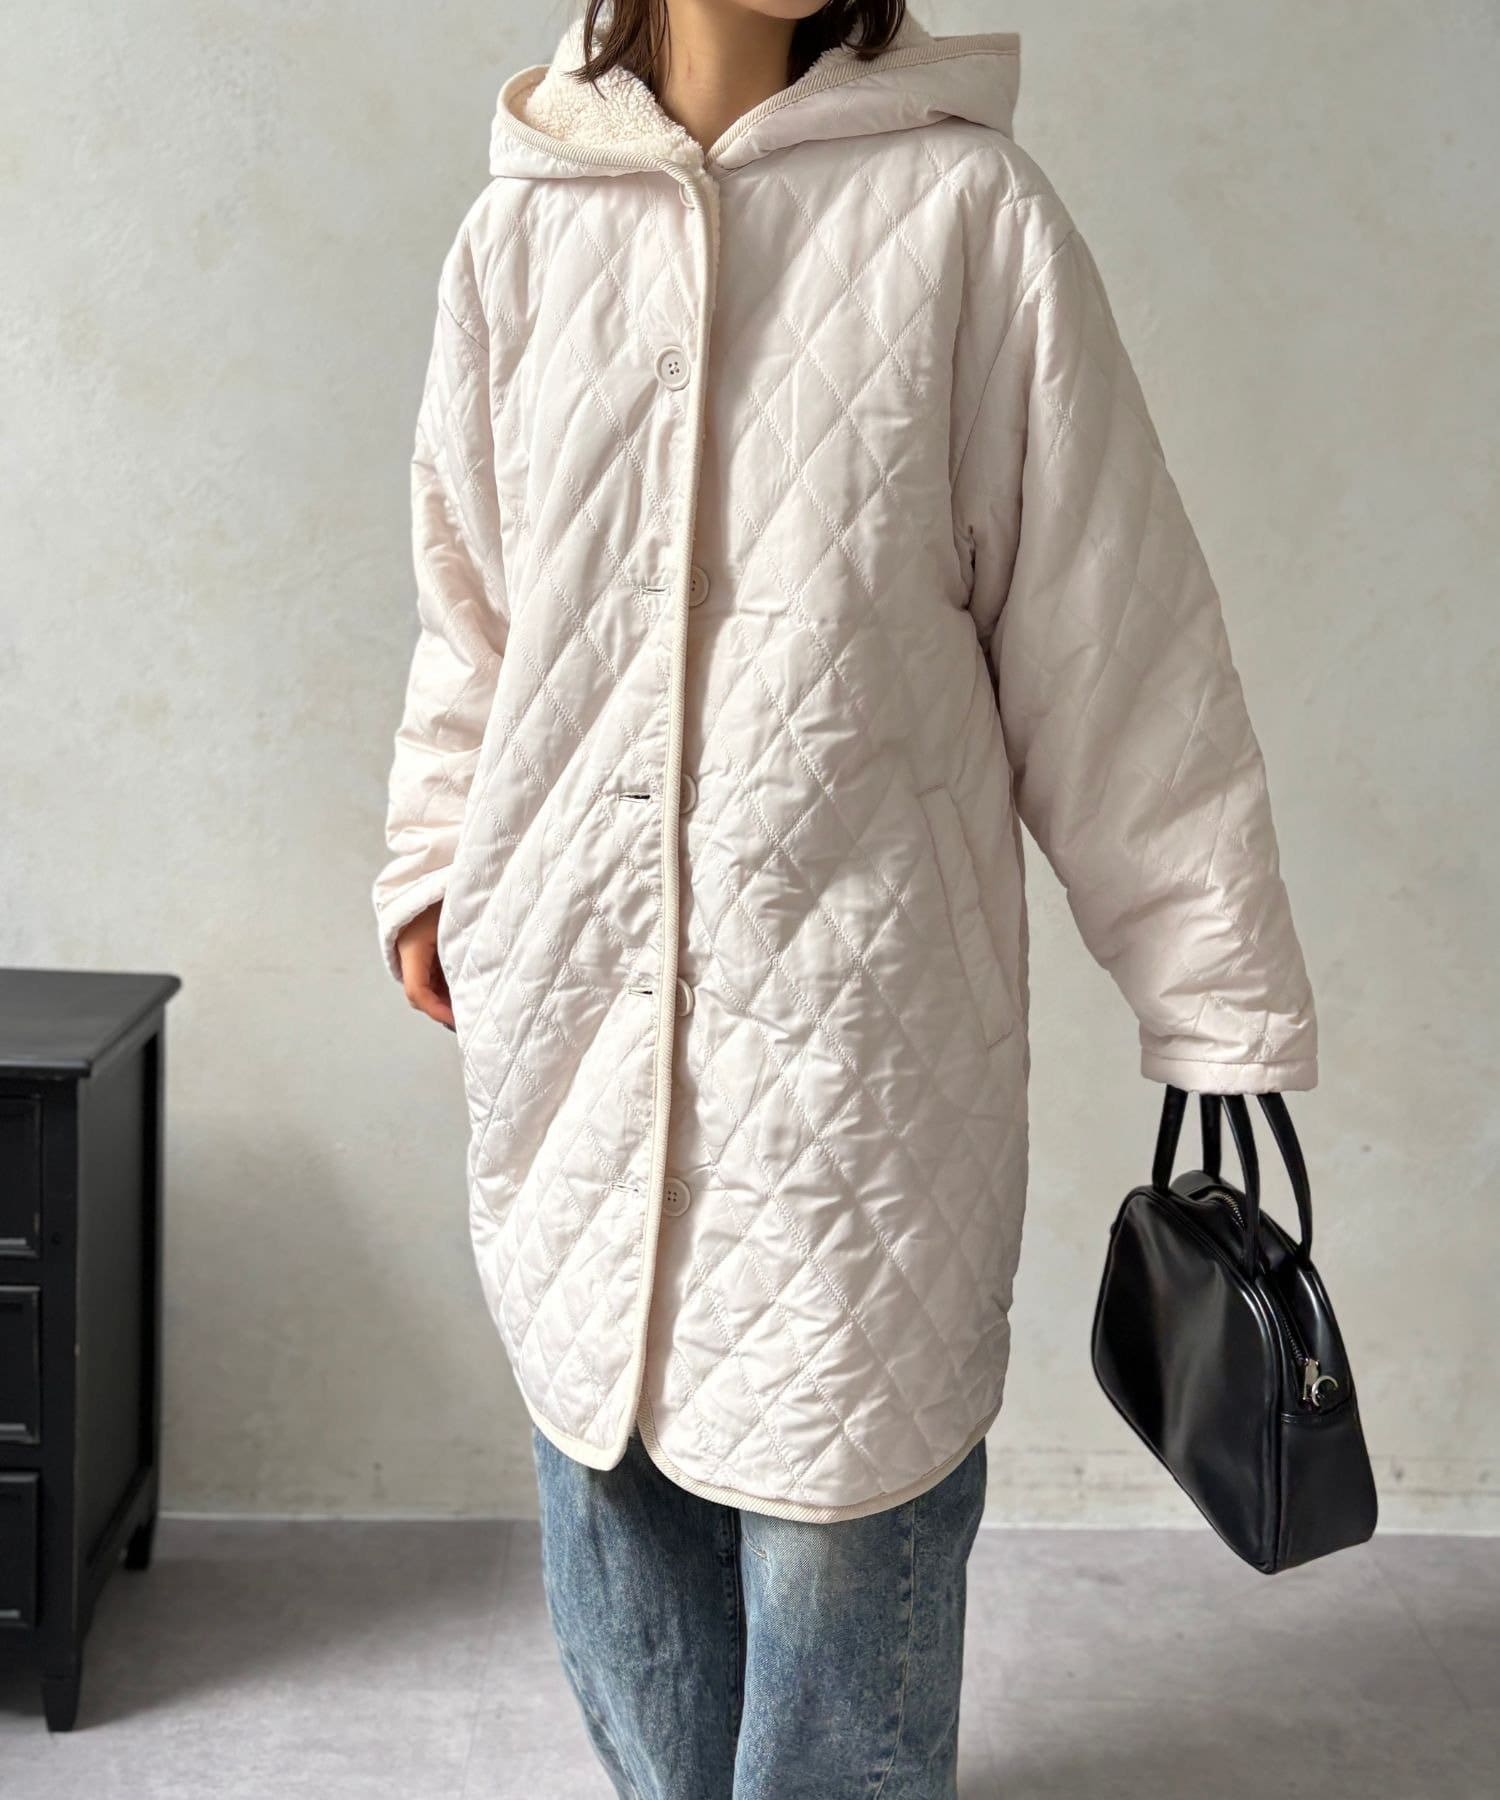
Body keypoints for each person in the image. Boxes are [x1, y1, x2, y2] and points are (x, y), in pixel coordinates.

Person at [372, 2, 1318, 1794]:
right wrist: (434, 856)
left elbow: (1115, 647)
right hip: (575, 1012)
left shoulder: (970, 219)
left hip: (860, 1045)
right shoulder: (518, 231)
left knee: (838, 1539)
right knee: (616, 1524)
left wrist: (1214, 992)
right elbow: (472, 612)